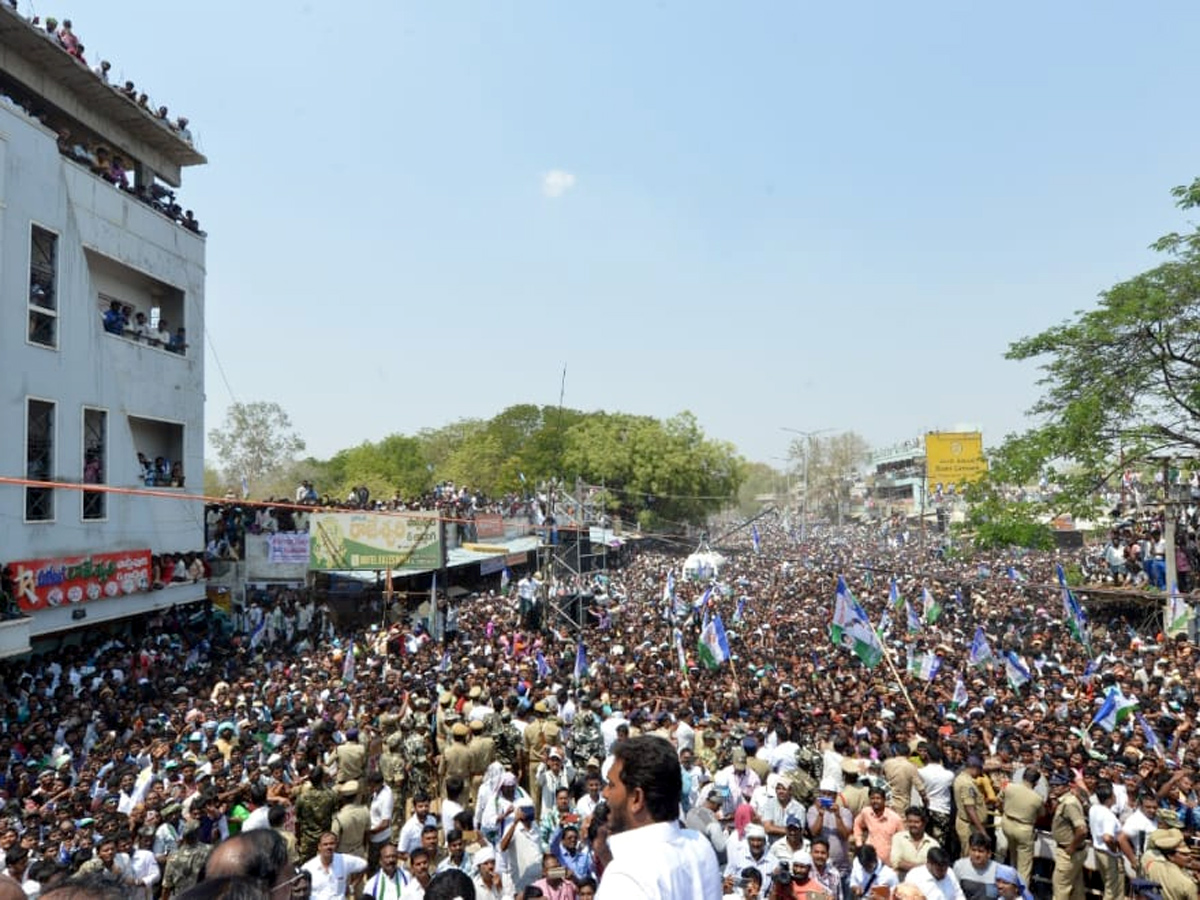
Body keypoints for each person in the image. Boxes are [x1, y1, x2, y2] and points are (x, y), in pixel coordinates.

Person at [595, 735, 722, 899]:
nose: (605, 794)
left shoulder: (625, 877)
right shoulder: (700, 845)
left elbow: (632, 881)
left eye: (611, 785)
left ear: (637, 798)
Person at [998, 767, 1043, 887]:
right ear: (1036, 782)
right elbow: (1042, 814)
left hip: (1007, 824)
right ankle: (1021, 892)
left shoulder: (1009, 787)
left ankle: (1010, 886)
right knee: (1024, 867)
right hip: (1024, 829)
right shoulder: (1037, 798)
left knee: (1013, 857)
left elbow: (999, 800)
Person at [1048, 772, 1087, 900]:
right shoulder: (1064, 800)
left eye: (1058, 786)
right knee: (1076, 888)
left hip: (1069, 852)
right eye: (1053, 785)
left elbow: (1081, 830)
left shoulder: (1069, 803)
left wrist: (1071, 847)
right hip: (1072, 851)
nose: (1054, 788)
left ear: (1066, 787)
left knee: (1060, 889)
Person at [301, 831, 366, 900]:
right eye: (325, 844)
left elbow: (364, 865)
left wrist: (351, 887)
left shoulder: (344, 860)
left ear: (336, 845)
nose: (329, 847)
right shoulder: (309, 867)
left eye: (331, 844)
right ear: (319, 847)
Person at [1088, 780, 1123, 900]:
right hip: (1108, 854)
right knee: (1113, 890)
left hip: (1098, 851)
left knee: (1109, 885)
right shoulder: (1108, 816)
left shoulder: (1094, 809)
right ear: (1109, 799)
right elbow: (1107, 837)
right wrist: (1114, 850)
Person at [950, 833, 996, 900]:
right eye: (973, 850)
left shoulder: (998, 870)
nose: (976, 854)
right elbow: (953, 892)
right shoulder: (959, 866)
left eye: (981, 851)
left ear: (989, 854)